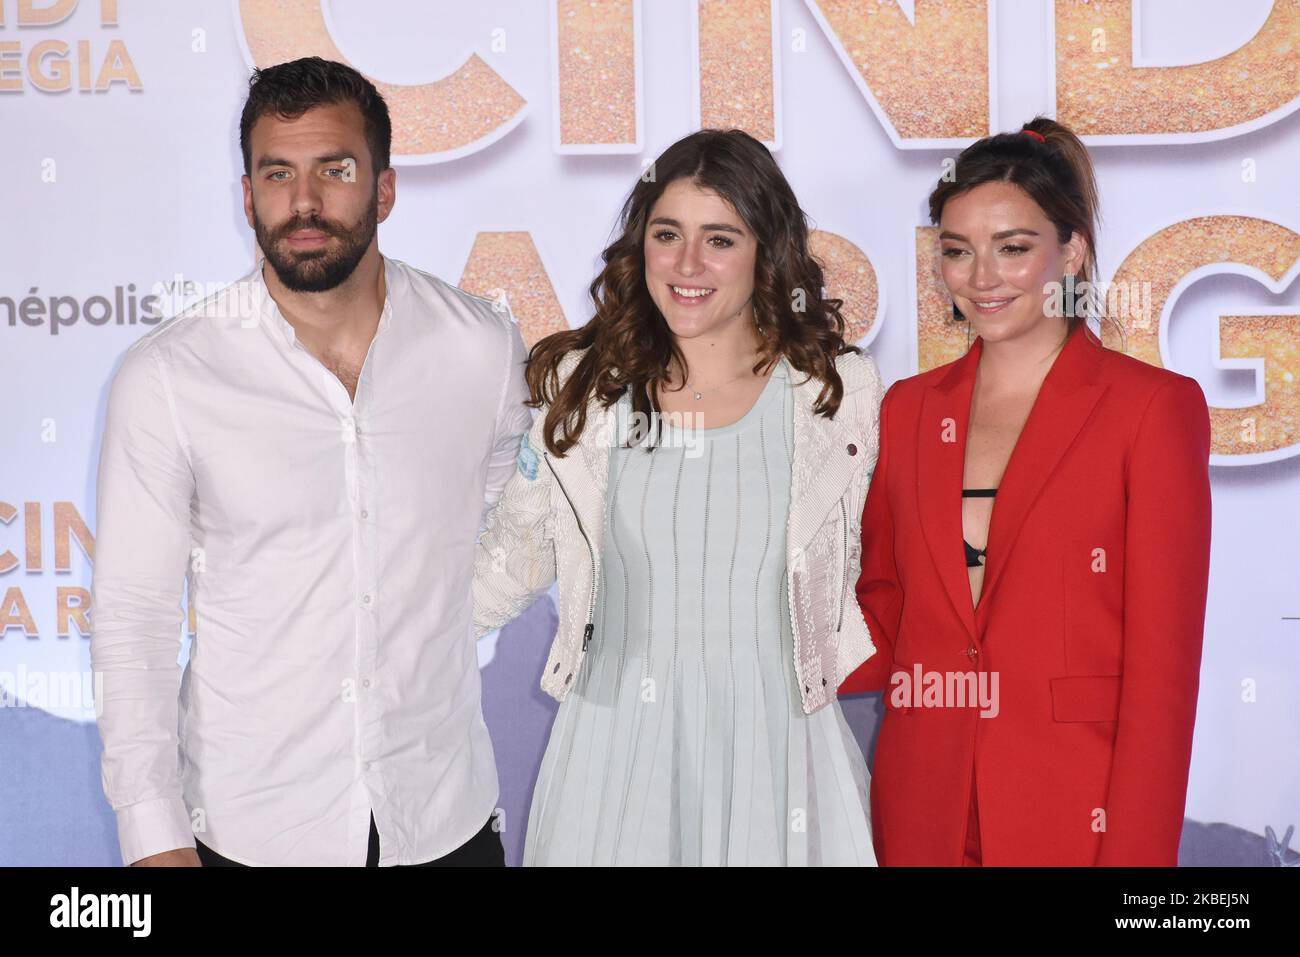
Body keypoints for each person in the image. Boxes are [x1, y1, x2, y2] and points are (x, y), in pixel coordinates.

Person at [90, 57, 527, 866]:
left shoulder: (483, 349)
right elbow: (132, 618)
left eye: (336, 170)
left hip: (442, 817)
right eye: (278, 173)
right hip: (248, 828)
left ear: (384, 190)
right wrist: (152, 836)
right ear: (247, 195)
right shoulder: (171, 376)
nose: (305, 203)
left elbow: (500, 533)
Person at [473, 128, 884, 866]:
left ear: (767, 251)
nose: (688, 264)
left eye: (720, 238)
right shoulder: (584, 388)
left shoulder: (838, 392)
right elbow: (506, 564)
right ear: (641, 246)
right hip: (613, 753)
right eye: (668, 233)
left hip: (784, 751)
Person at [842, 117, 1212, 866]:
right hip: (923, 807)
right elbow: (884, 614)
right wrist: (741, 645)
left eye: (1013, 248)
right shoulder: (908, 410)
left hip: (1075, 813)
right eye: (957, 251)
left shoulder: (1151, 409)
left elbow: (1160, 678)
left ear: (1070, 251)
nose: (982, 277)